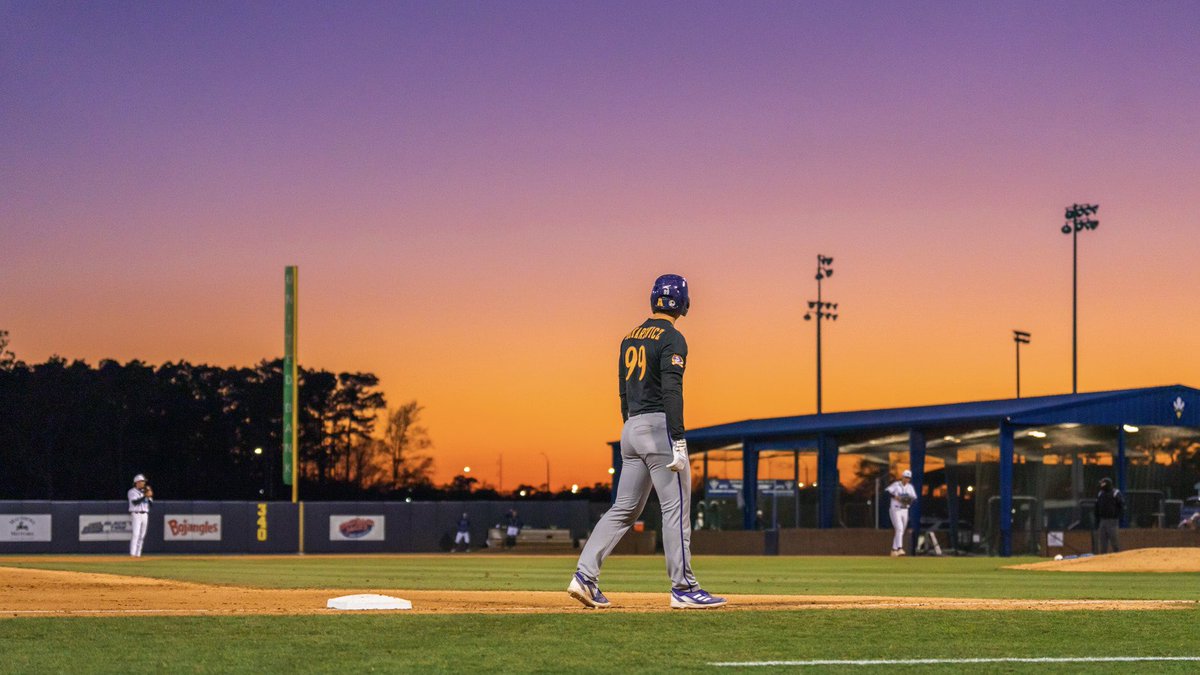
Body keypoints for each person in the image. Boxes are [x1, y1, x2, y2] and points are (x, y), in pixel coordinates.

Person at [568, 274, 725, 610]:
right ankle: (683, 588)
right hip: (658, 428)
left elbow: (623, 392)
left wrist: (631, 425)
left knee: (623, 509)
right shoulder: (672, 337)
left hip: (631, 429)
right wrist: (678, 438)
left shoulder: (629, 338)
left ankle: (584, 576)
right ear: (683, 302)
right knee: (675, 509)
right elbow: (672, 390)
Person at [885, 470, 917, 557]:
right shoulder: (896, 484)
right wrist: (896, 497)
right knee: (899, 528)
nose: (907, 479)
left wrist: (907, 500)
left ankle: (893, 550)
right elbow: (887, 492)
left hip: (904, 510)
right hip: (895, 509)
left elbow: (914, 498)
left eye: (908, 478)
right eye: (906, 477)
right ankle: (899, 548)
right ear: (902, 477)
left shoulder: (910, 487)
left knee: (901, 530)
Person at [1094, 477, 1124, 554]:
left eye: (1102, 483)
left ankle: (1117, 556)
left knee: (1114, 541)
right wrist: (1097, 519)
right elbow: (1097, 507)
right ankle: (1103, 558)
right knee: (1102, 542)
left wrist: (1117, 516)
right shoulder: (1100, 493)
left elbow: (1121, 505)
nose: (1101, 485)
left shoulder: (1115, 493)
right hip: (1102, 520)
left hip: (1112, 521)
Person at [127, 474, 153, 557]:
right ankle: (132, 554)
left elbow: (151, 504)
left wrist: (149, 496)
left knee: (142, 535)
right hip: (136, 514)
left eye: (144, 481)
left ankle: (138, 555)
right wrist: (145, 496)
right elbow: (135, 502)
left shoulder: (145, 491)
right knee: (136, 534)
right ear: (137, 482)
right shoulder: (132, 491)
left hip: (145, 514)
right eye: (142, 481)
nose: (144, 483)